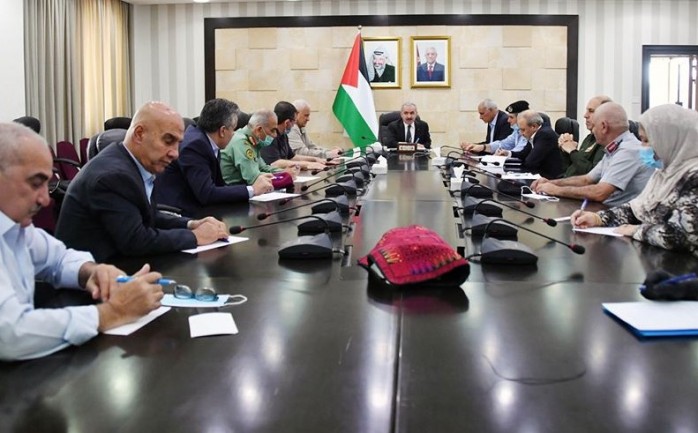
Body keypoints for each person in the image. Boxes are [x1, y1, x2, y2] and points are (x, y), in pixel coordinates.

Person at [0, 122, 165, 361]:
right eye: (35, 184)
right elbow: (10, 334)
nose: (46, 199)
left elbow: (58, 259)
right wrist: (112, 313)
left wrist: (92, 272)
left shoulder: (16, 226)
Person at [55, 101, 229, 262]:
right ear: (139, 134)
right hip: (92, 277)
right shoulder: (114, 176)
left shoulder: (128, 162)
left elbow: (148, 216)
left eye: (178, 143)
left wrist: (191, 224)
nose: (175, 153)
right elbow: (136, 241)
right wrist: (196, 236)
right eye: (168, 141)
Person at [571, 104, 698, 256]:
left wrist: (636, 230)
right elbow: (638, 209)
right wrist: (598, 218)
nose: (642, 147)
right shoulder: (664, 173)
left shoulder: (694, 176)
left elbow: (682, 235)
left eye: (646, 141)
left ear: (669, 140)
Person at [152, 98, 273, 216]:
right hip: (180, 213)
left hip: (199, 205)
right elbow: (206, 193)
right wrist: (252, 189)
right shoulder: (195, 146)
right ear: (222, 131)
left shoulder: (207, 141)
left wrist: (250, 190)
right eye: (233, 129)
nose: (234, 134)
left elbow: (218, 186)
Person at [532, 102, 654, 206]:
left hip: (619, 216)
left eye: (594, 126)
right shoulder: (615, 147)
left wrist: (556, 190)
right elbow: (586, 179)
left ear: (604, 127)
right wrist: (550, 183)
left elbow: (599, 192)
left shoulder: (628, 150)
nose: (592, 131)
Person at [221, 109, 289, 185]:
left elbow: (263, 168)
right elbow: (253, 178)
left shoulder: (253, 141)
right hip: (234, 190)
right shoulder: (241, 142)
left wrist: (284, 172)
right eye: (272, 130)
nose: (275, 135)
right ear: (259, 129)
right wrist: (282, 177)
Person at [260, 101, 328, 171]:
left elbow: (292, 157)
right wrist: (307, 164)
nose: (294, 125)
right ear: (287, 123)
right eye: (294, 122)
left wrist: (315, 159)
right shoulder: (269, 135)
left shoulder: (283, 135)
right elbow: (275, 163)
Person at [496, 110, 563, 179]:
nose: (521, 133)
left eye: (523, 130)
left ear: (533, 126)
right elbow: (524, 154)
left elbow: (531, 162)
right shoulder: (535, 133)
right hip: (539, 174)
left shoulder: (545, 135)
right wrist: (508, 153)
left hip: (550, 177)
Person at [559, 95, 612, 177]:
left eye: (591, 111)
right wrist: (565, 149)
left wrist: (572, 151)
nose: (585, 115)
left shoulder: (607, 141)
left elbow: (592, 174)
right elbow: (571, 169)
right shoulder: (589, 138)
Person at [461, 100, 529, 154]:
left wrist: (506, 154)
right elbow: (502, 144)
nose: (508, 120)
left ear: (521, 118)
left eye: (511, 117)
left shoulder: (528, 132)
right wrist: (481, 147)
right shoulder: (516, 132)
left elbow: (518, 152)